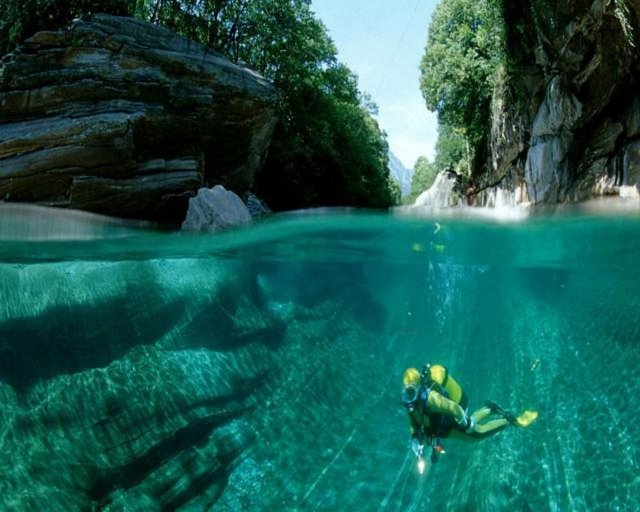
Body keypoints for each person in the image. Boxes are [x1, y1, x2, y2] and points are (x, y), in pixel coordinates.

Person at [401, 364, 537, 462]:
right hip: (444, 426)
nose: (409, 397)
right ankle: (490, 408)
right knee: (472, 423)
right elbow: (413, 422)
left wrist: (465, 424)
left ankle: (508, 420)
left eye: (411, 391)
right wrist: (414, 439)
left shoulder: (431, 399)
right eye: (406, 392)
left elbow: (454, 408)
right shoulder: (411, 404)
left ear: (418, 387)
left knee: (476, 435)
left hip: (451, 421)